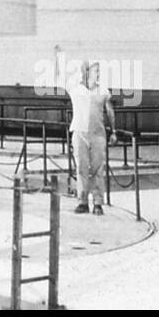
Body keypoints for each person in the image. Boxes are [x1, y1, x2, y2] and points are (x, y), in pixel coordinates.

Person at [68, 60, 115, 215]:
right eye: (96, 71)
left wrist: (113, 131)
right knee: (81, 167)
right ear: (86, 73)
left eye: (99, 72)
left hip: (98, 134)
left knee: (97, 169)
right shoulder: (75, 89)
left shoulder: (103, 91)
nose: (98, 75)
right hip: (79, 133)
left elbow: (109, 111)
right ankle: (82, 202)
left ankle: (97, 203)